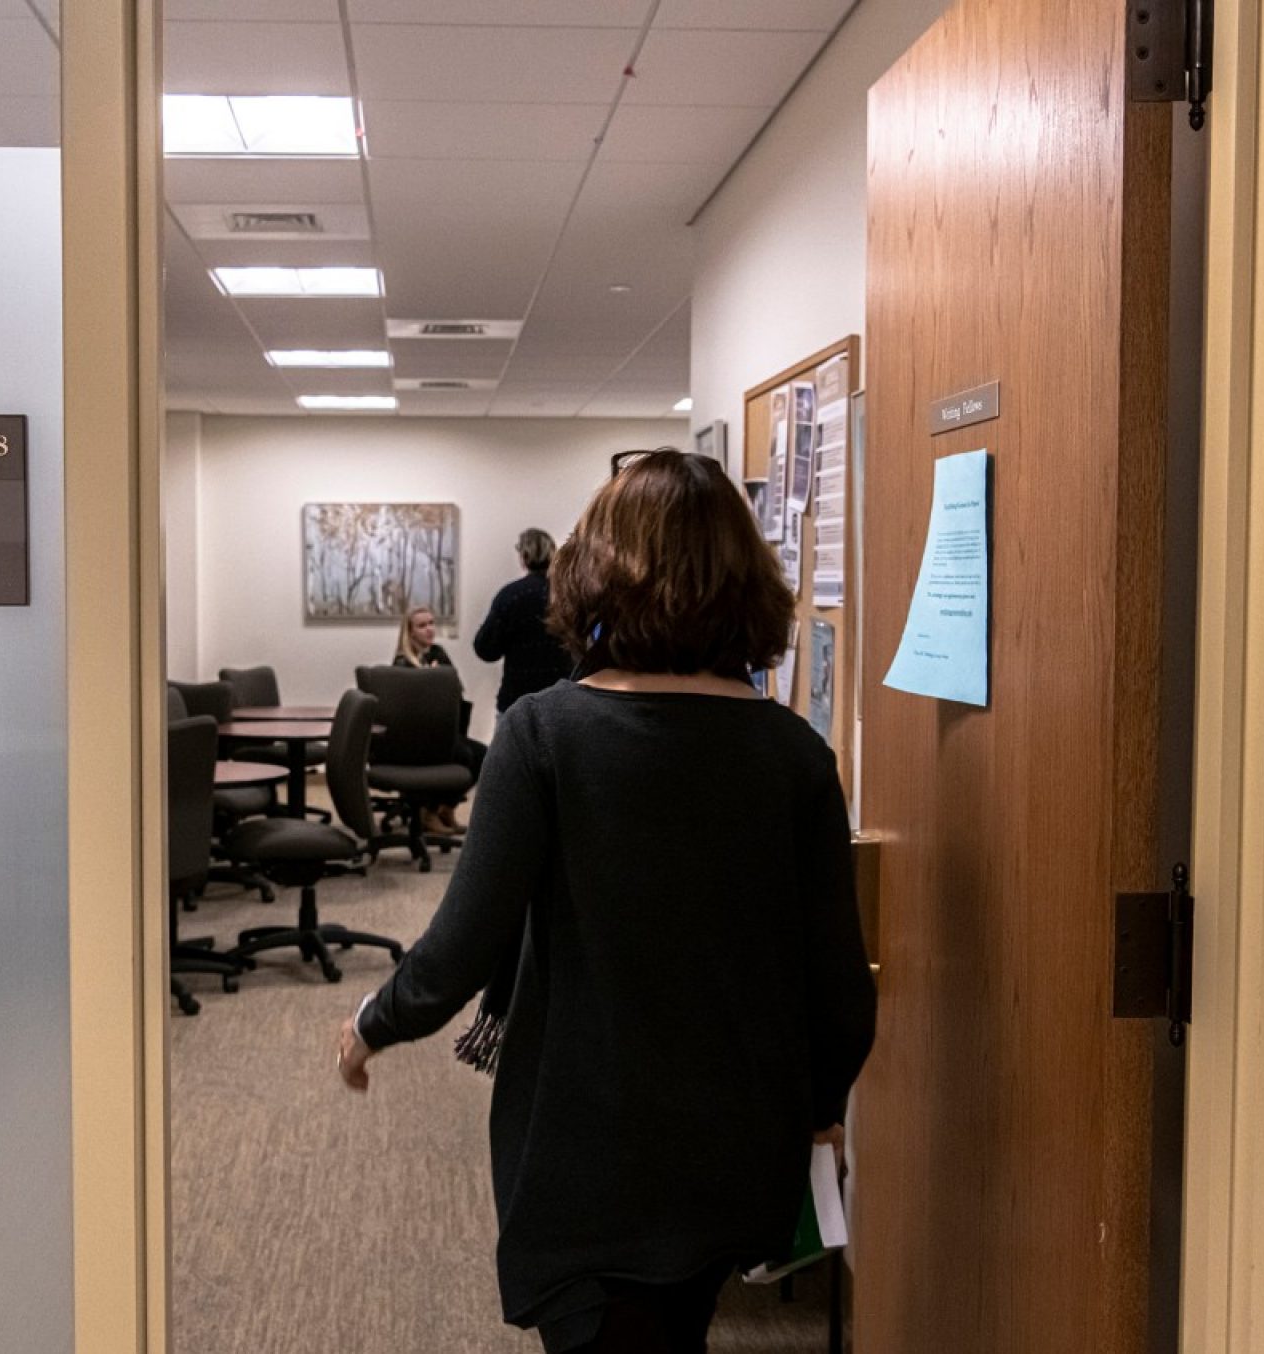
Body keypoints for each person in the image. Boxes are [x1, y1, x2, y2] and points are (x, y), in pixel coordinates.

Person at [339, 449, 876, 1354]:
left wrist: (371, 1021)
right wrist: (815, 1109)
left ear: (595, 574)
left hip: (590, 1162)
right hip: (739, 1154)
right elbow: (840, 992)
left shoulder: (544, 734)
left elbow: (464, 946)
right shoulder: (792, 754)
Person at [392, 606, 485, 834]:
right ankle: (428, 812)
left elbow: (456, 689)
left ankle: (447, 807)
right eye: (422, 626)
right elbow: (407, 708)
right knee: (462, 756)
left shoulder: (438, 653)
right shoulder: (402, 663)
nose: (429, 629)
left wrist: (439, 680)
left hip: (443, 732)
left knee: (483, 754)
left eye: (431, 623)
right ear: (410, 631)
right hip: (415, 737)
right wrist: (431, 680)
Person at [473, 527, 573, 713]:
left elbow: (486, 650)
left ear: (523, 557)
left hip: (518, 701)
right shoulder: (568, 595)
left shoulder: (511, 596)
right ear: (553, 554)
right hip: (562, 701)